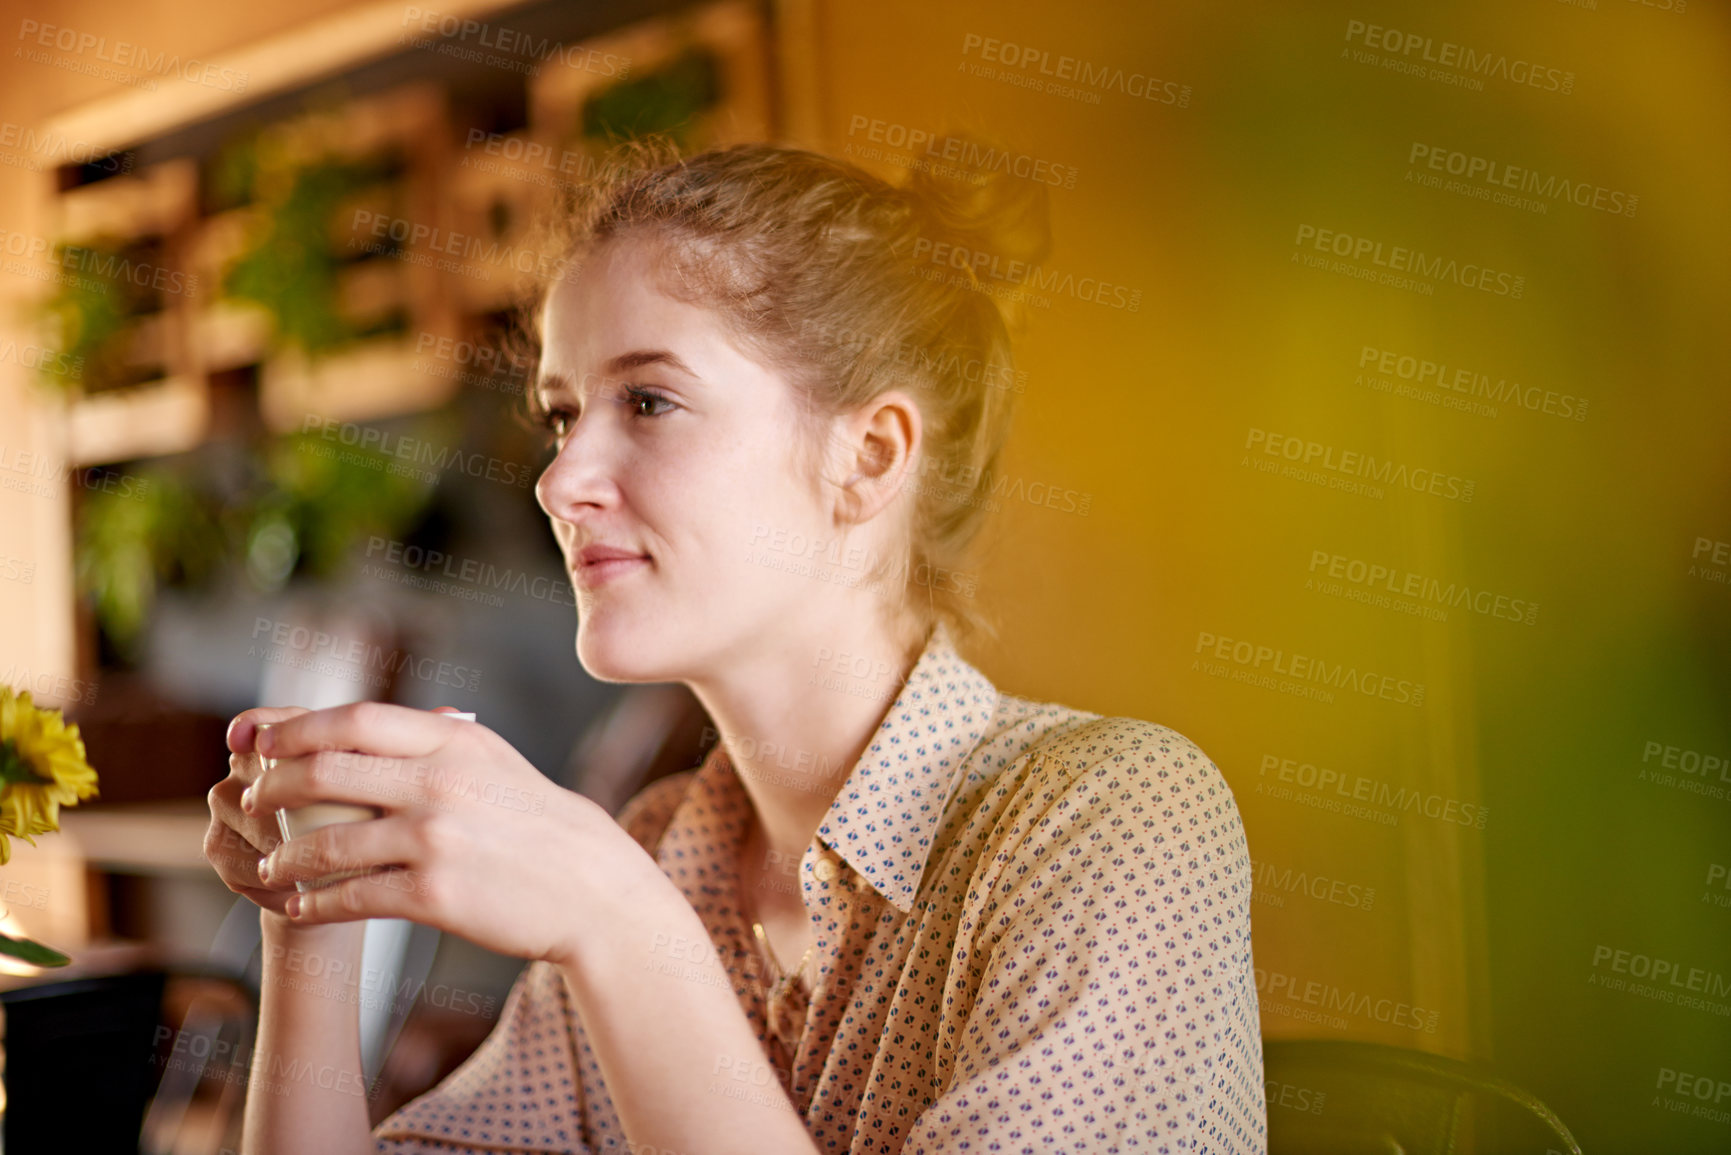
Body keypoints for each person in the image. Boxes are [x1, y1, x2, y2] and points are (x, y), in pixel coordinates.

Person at [204, 138, 1268, 1154]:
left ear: (870, 455)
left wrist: (619, 927)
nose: (560, 480)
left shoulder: (1117, 823)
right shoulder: (668, 847)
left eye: (650, 400)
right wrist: (313, 910)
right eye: (564, 416)